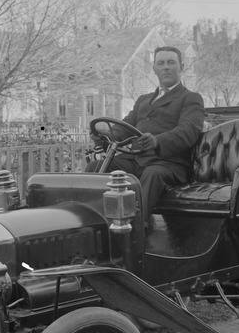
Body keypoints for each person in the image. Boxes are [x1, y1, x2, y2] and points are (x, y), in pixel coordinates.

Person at [88, 45, 206, 222]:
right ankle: (94, 222)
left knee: (151, 175)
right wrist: (103, 135)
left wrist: (157, 141)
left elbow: (188, 131)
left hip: (168, 163)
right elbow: (123, 129)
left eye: (171, 62)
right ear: (154, 69)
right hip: (135, 159)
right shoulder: (143, 100)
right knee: (94, 169)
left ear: (181, 67)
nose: (166, 67)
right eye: (161, 63)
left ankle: (133, 231)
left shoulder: (190, 98)